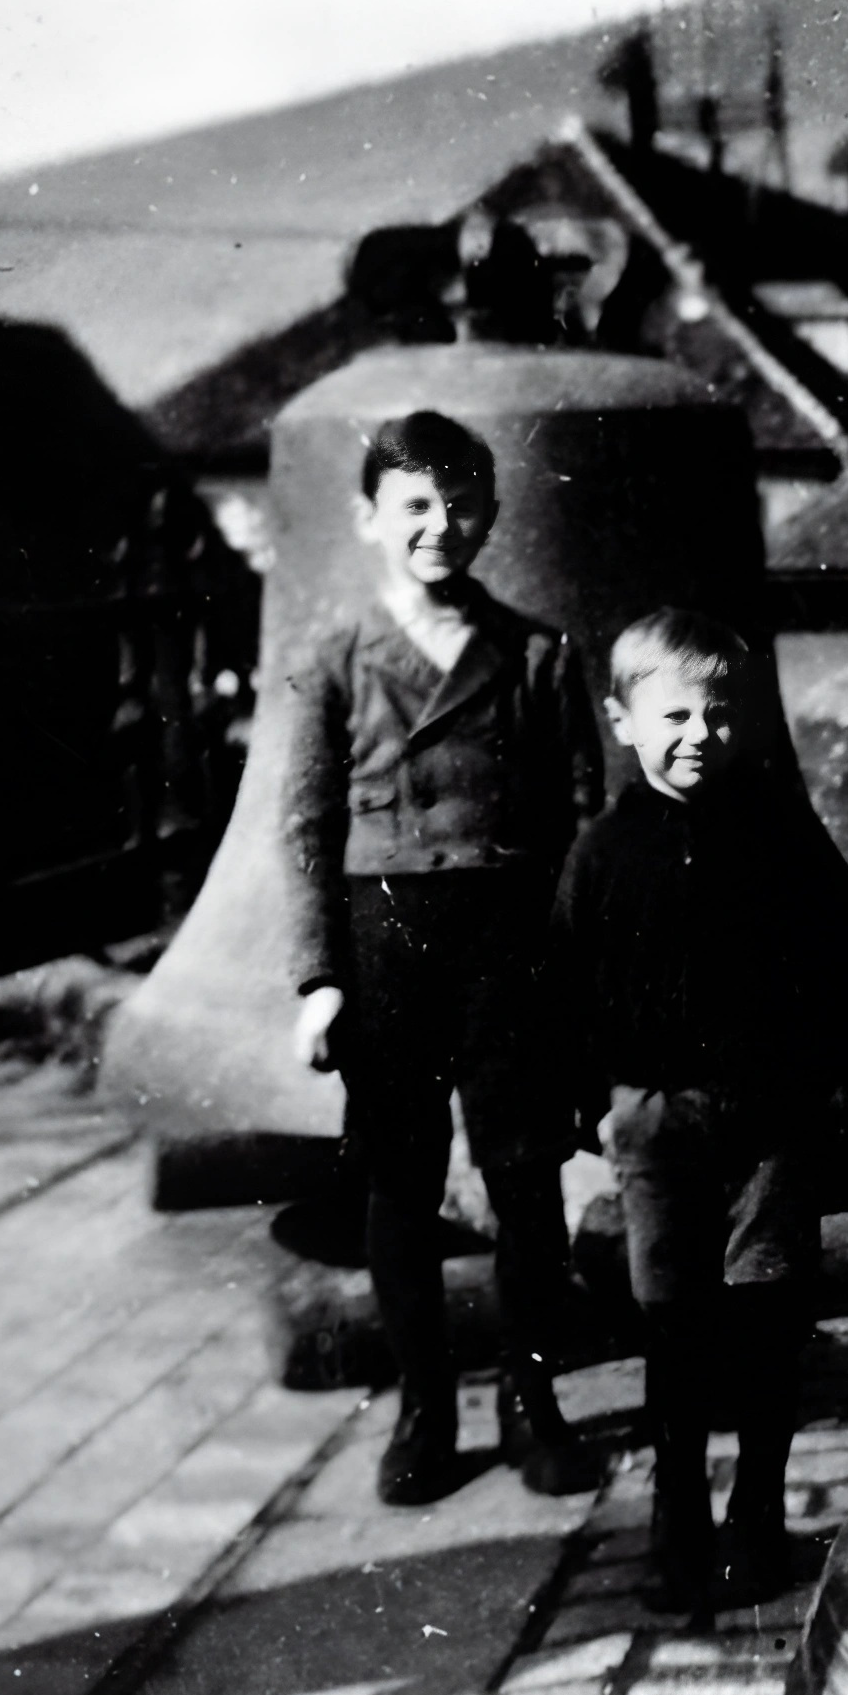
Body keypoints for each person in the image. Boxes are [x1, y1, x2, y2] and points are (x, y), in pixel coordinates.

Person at [278, 410, 607, 1505]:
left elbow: (579, 825)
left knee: (525, 1179)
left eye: (461, 505)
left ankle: (531, 1398)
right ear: (369, 518)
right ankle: (425, 1408)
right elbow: (307, 828)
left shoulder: (538, 655)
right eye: (414, 505)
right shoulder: (335, 659)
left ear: (491, 516)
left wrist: (578, 974)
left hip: (508, 948)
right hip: (387, 947)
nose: (439, 526)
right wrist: (320, 978)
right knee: (401, 1182)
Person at [551, 609, 848, 1617]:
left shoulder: (776, 827)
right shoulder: (603, 852)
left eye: (719, 713)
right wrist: (595, 1105)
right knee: (675, 1325)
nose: (699, 735)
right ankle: (678, 1526)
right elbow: (565, 989)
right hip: (659, 1122)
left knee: (768, 1316)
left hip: (770, 1117)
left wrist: (823, 1066)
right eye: (673, 716)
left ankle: (755, 1516)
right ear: (623, 722)